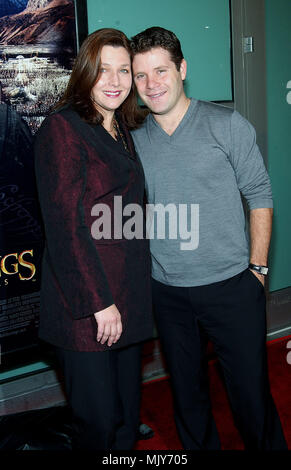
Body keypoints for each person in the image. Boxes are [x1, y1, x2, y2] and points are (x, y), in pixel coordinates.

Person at [130, 26, 287, 450]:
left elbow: (260, 195)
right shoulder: (134, 139)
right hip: (168, 292)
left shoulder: (226, 124)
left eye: (160, 70)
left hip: (232, 287)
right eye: (140, 75)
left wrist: (257, 269)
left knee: (251, 398)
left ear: (182, 68)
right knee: (188, 398)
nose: (152, 84)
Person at [34, 28, 153, 450]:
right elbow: (66, 226)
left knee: (124, 421)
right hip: (88, 309)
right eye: (104, 70)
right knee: (98, 428)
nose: (116, 81)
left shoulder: (119, 127)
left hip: (128, 300)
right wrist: (99, 303)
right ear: (85, 72)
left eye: (124, 70)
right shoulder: (62, 128)